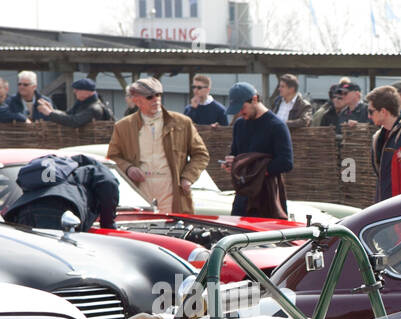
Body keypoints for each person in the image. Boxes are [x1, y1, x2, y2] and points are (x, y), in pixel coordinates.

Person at [106, 76, 209, 215]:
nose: (156, 99)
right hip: (139, 188)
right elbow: (112, 157)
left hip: (172, 188)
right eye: (150, 97)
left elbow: (201, 154)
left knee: (173, 230)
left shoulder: (182, 122)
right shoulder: (123, 126)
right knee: (142, 231)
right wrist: (129, 168)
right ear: (137, 100)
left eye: (158, 95)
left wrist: (187, 178)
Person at [222, 83, 294, 218]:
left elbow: (286, 162)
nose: (241, 113)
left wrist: (255, 170)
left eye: (242, 107)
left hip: (267, 196)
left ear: (254, 99)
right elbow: (236, 153)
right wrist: (233, 163)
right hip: (242, 195)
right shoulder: (239, 124)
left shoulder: (277, 126)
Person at [2, 153, 119, 230]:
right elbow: (109, 183)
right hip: (60, 212)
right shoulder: (92, 168)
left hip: (22, 212)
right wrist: (107, 223)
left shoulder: (58, 169)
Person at [43, 78, 114, 127]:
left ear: (88, 92)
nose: (74, 92)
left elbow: (75, 121)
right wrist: (52, 110)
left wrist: (50, 114)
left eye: (78, 90)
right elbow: (68, 114)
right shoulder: (82, 103)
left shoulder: (95, 108)